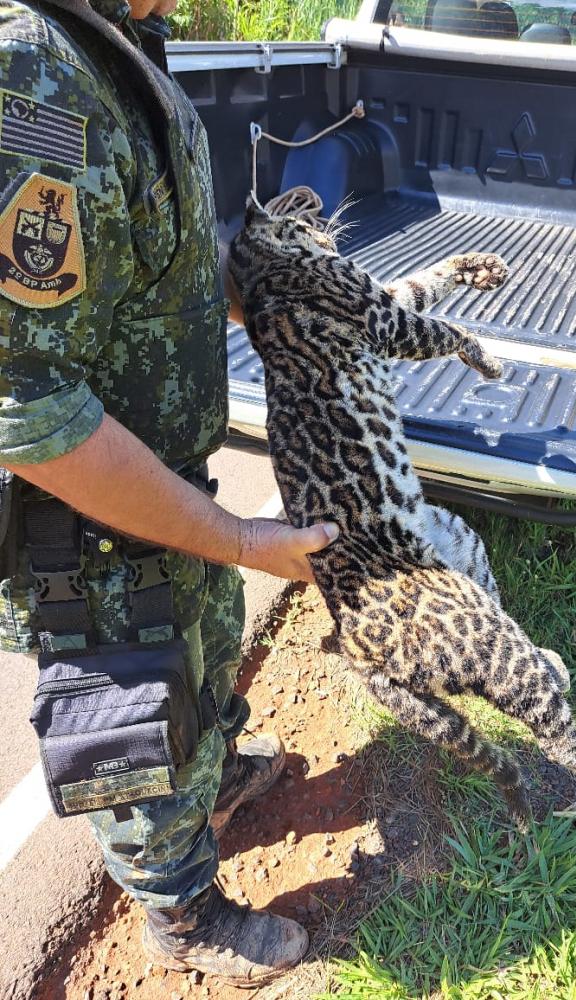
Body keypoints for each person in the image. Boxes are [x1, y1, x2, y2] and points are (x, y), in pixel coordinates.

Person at [0, 0, 339, 988]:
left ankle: (215, 773)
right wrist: (239, 533)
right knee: (137, 728)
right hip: (92, 526)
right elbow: (24, 404)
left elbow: (151, 240)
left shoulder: (113, 35)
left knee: (204, 658)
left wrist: (263, 290)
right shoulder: (32, 78)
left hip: (158, 488)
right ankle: (181, 911)